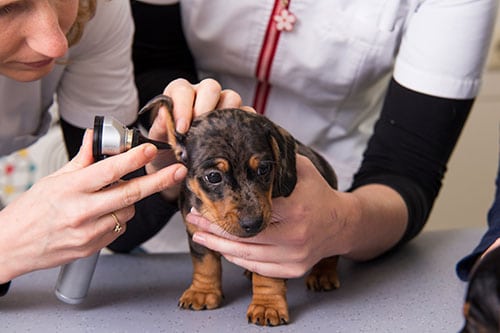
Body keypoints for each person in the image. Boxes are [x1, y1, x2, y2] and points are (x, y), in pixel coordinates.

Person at [130, 0, 498, 279]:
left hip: (342, 217)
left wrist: (340, 223)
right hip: (167, 234)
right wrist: (172, 148)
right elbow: (154, 59)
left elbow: (410, 165)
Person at [0, 0, 214, 297]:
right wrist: (6, 244)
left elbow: (117, 230)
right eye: (4, 11)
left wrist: (162, 171)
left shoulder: (98, 9)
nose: (57, 45)